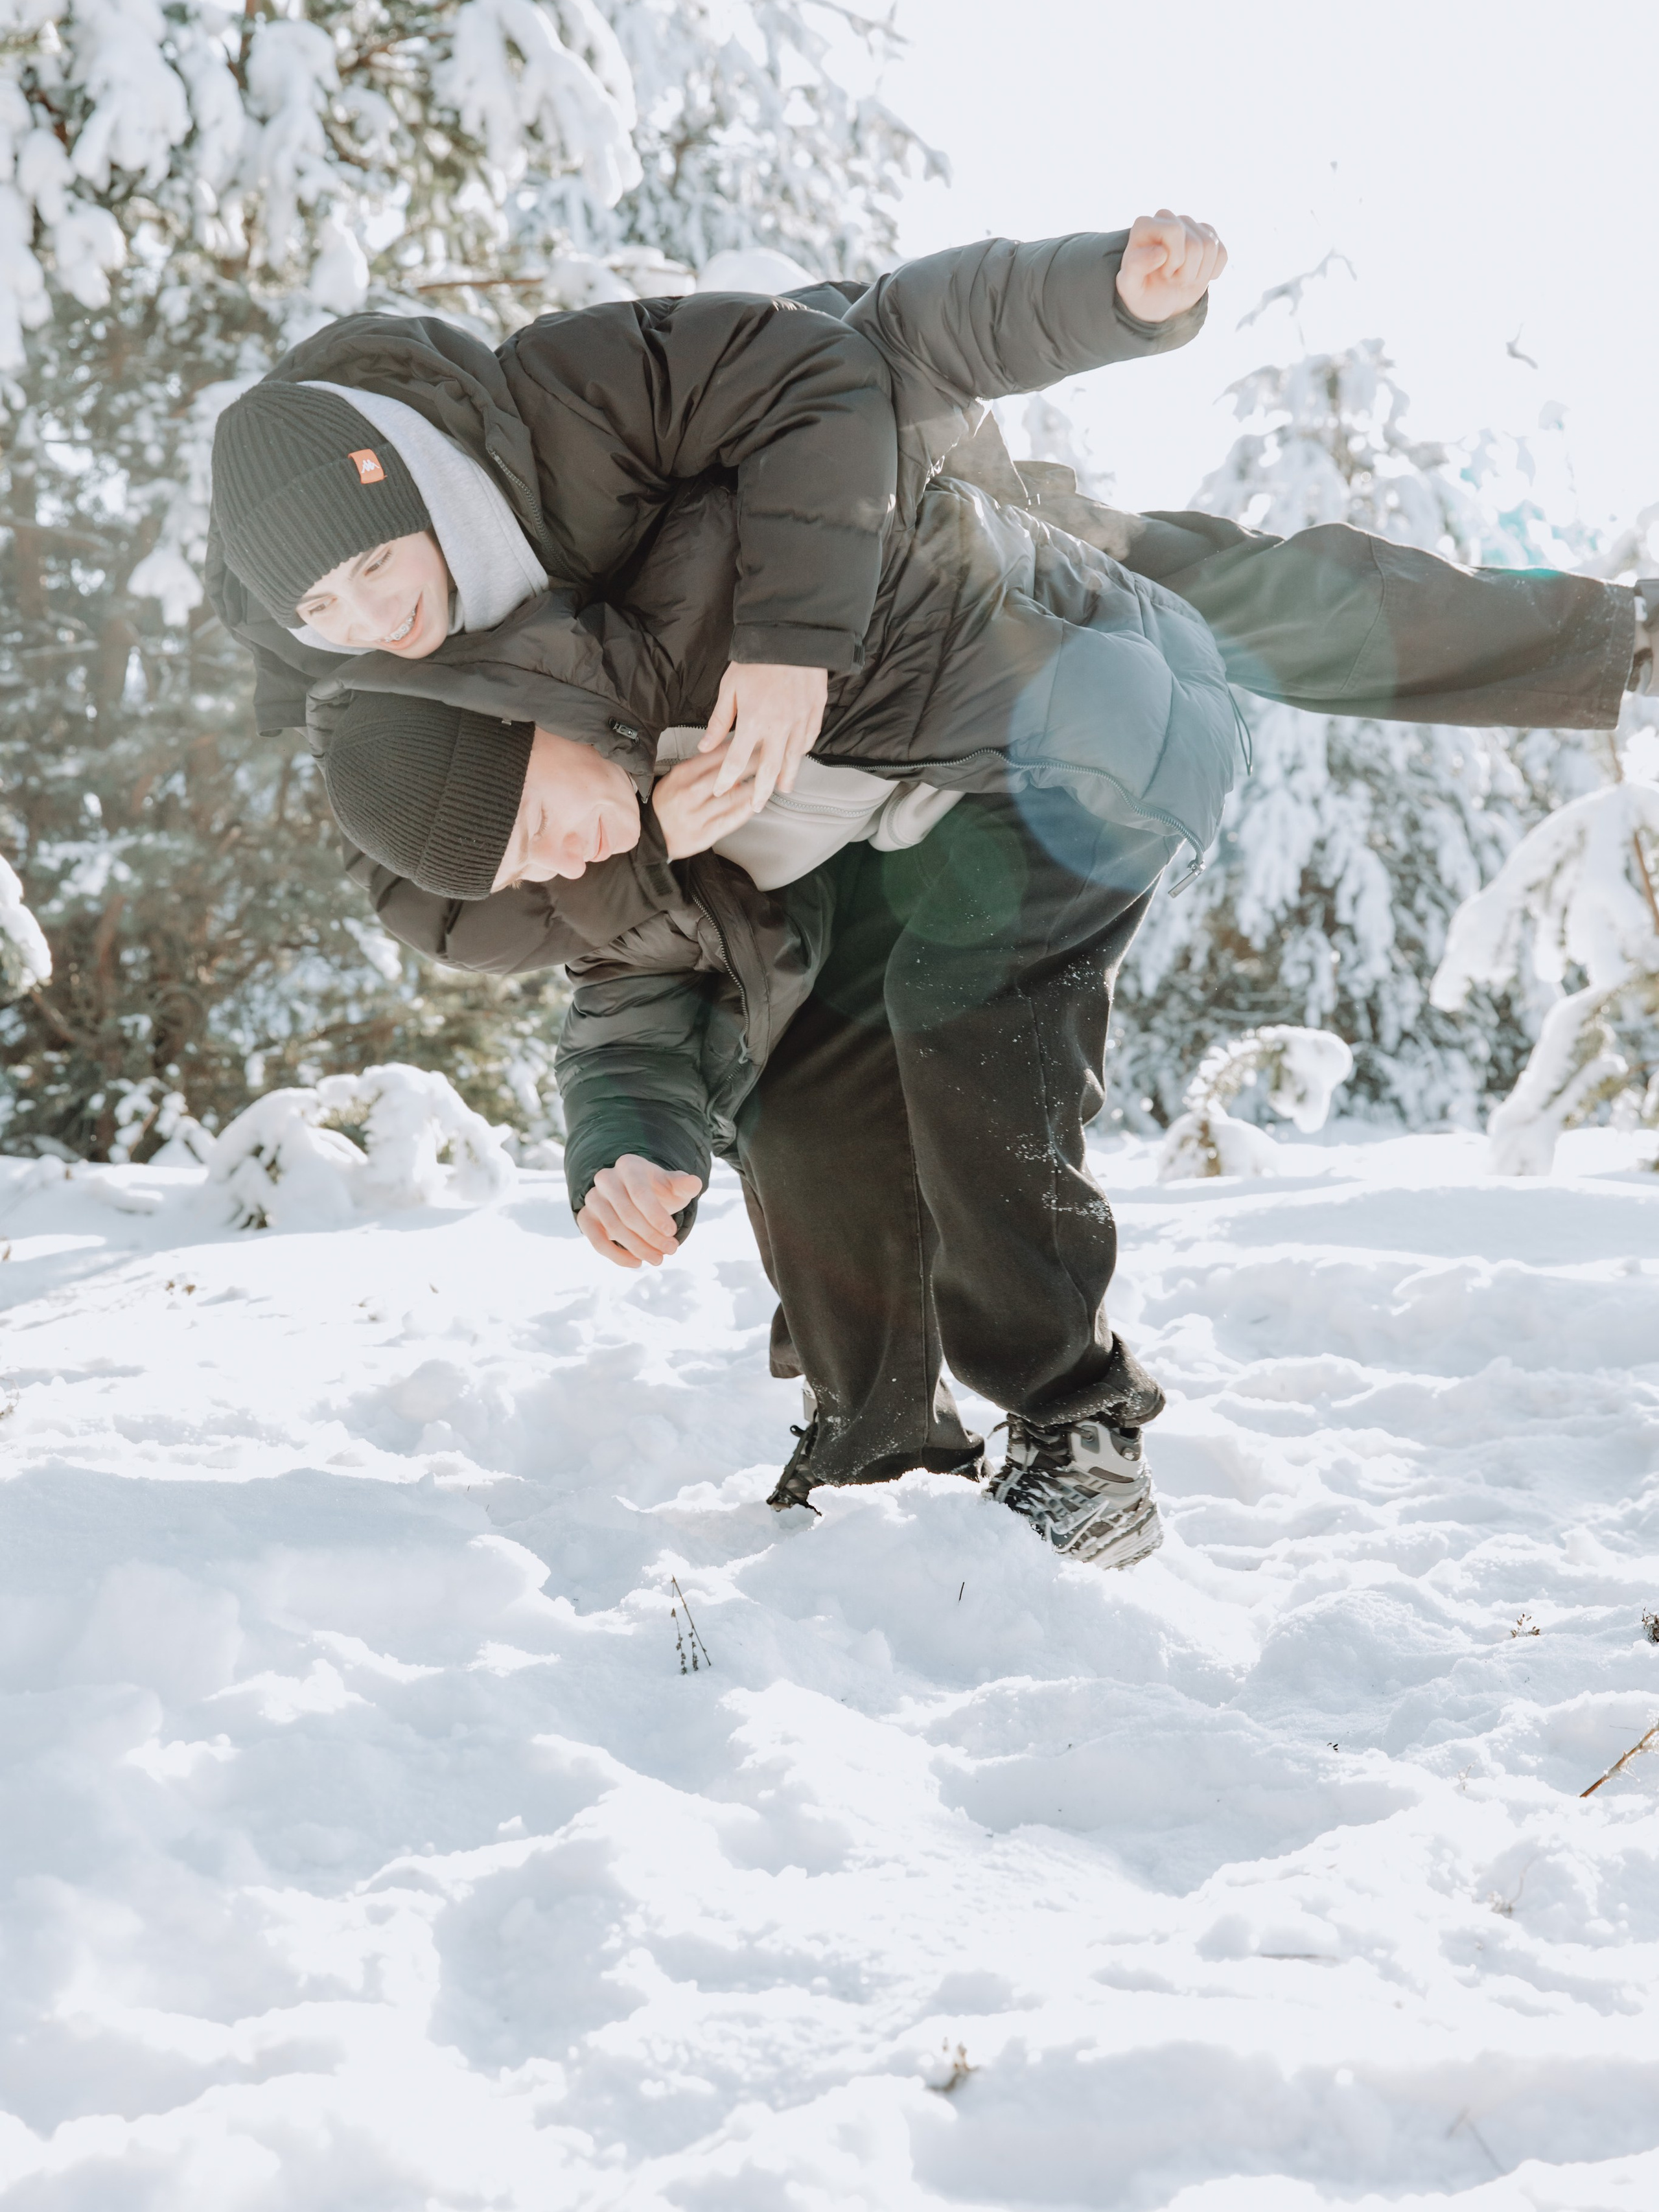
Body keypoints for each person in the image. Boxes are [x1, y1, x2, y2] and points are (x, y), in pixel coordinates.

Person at [207, 225, 1651, 1568]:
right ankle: (876, 1442)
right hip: (912, 799)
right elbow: (617, 980)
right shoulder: (550, 778)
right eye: (323, 613)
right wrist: (626, 1142)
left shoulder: (644, 440)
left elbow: (881, 339)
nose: (371, 617)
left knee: (1189, 673)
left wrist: (1108, 293)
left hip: (1045, 690)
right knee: (801, 1100)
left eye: (374, 570)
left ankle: (1076, 1427)